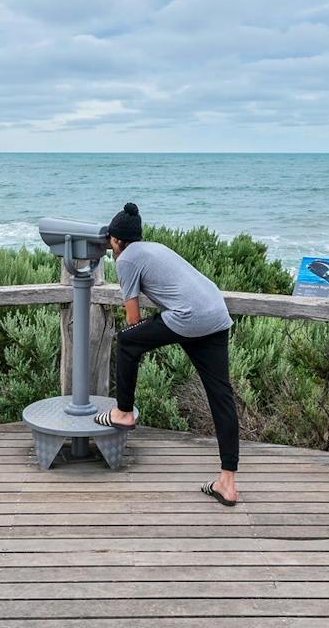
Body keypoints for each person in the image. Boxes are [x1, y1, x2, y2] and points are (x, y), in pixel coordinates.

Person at [92, 202, 241, 506]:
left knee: (127, 341)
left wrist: (143, 330)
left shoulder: (126, 260)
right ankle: (228, 482)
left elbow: (133, 320)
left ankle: (123, 412)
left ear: (117, 241)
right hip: (215, 312)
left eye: (110, 241)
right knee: (220, 395)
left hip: (189, 317)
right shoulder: (153, 247)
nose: (110, 246)